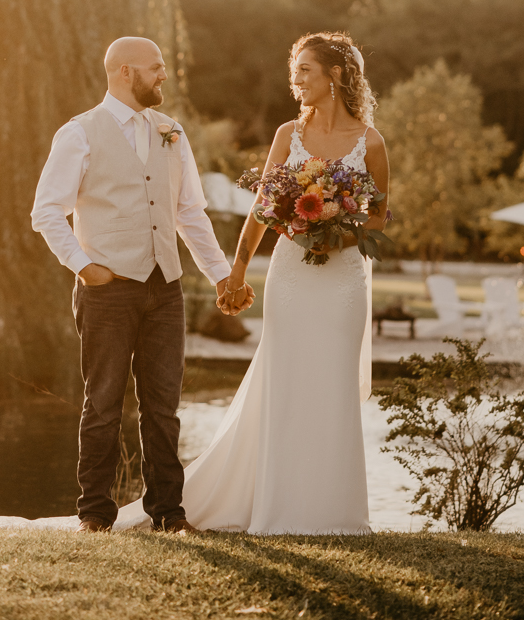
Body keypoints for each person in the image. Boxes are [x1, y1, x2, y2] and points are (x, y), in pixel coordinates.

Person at [115, 30, 390, 534]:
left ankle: (336, 512)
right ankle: (278, 507)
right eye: (294, 72)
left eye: (305, 70)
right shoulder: (289, 135)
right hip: (290, 276)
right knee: (284, 381)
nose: (296, 80)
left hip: (346, 280)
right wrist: (235, 272)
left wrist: (338, 238)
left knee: (332, 384)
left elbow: (378, 220)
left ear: (335, 75)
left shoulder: (371, 143)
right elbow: (263, 209)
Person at [30, 36, 255, 534]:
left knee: (163, 406)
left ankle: (169, 514)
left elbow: (189, 213)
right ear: (125, 72)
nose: (164, 76)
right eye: (156, 68)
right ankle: (94, 514)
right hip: (107, 290)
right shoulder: (80, 133)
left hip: (165, 288)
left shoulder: (171, 131)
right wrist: (83, 266)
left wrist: (222, 275)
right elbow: (46, 211)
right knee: (103, 402)